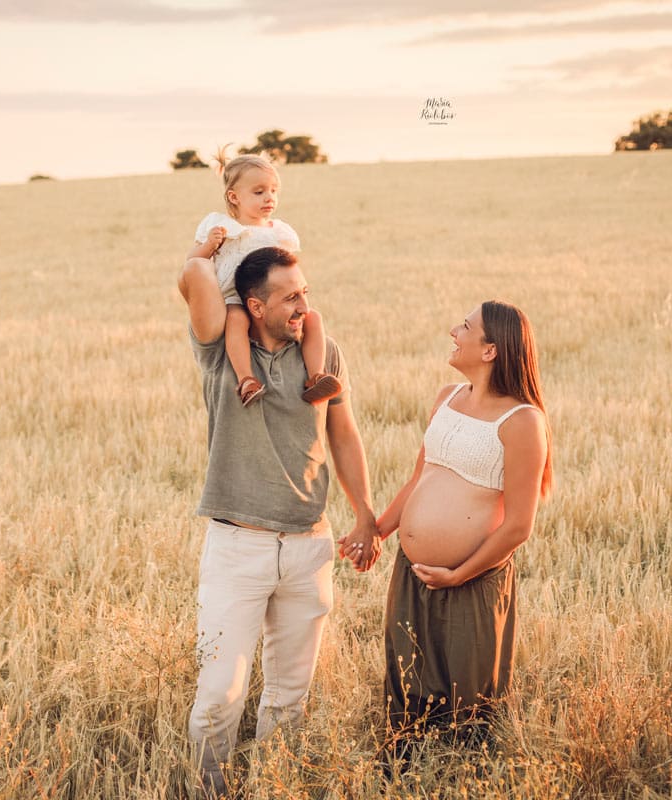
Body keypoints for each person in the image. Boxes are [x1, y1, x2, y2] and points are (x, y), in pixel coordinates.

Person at [176, 245, 381, 796]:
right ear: (254, 305)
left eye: (305, 293)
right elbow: (192, 278)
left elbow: (344, 434)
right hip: (237, 547)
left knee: (290, 698)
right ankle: (208, 790)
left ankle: (273, 787)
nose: (303, 307)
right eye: (290, 297)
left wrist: (364, 513)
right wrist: (206, 248)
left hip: (310, 546)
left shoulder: (323, 353)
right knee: (220, 695)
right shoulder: (221, 351)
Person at [372, 300, 552, 752]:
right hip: (412, 574)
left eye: (466, 326)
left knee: (468, 700)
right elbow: (419, 479)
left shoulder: (523, 421)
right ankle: (403, 773)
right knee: (407, 686)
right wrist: (375, 532)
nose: (454, 330)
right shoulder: (446, 397)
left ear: (490, 350)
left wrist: (458, 573)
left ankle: (467, 778)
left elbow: (518, 527)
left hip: (472, 581)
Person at [185, 150, 342, 406]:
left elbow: (288, 270)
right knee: (236, 320)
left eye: (273, 191)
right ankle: (247, 379)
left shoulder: (278, 231)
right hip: (235, 297)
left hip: (272, 300)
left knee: (314, 318)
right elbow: (193, 263)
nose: (269, 198)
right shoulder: (221, 227)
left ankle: (316, 376)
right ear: (233, 197)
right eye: (259, 192)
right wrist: (209, 245)